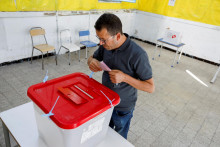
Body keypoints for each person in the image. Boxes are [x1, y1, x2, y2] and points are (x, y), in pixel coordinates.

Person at [87, 13, 155, 139]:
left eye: (103, 40)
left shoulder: (138, 54)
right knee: (102, 134)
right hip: (105, 102)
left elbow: (150, 87)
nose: (100, 43)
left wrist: (125, 78)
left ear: (117, 36)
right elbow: (92, 58)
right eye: (98, 38)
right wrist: (91, 61)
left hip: (122, 108)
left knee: (118, 138)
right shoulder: (105, 46)